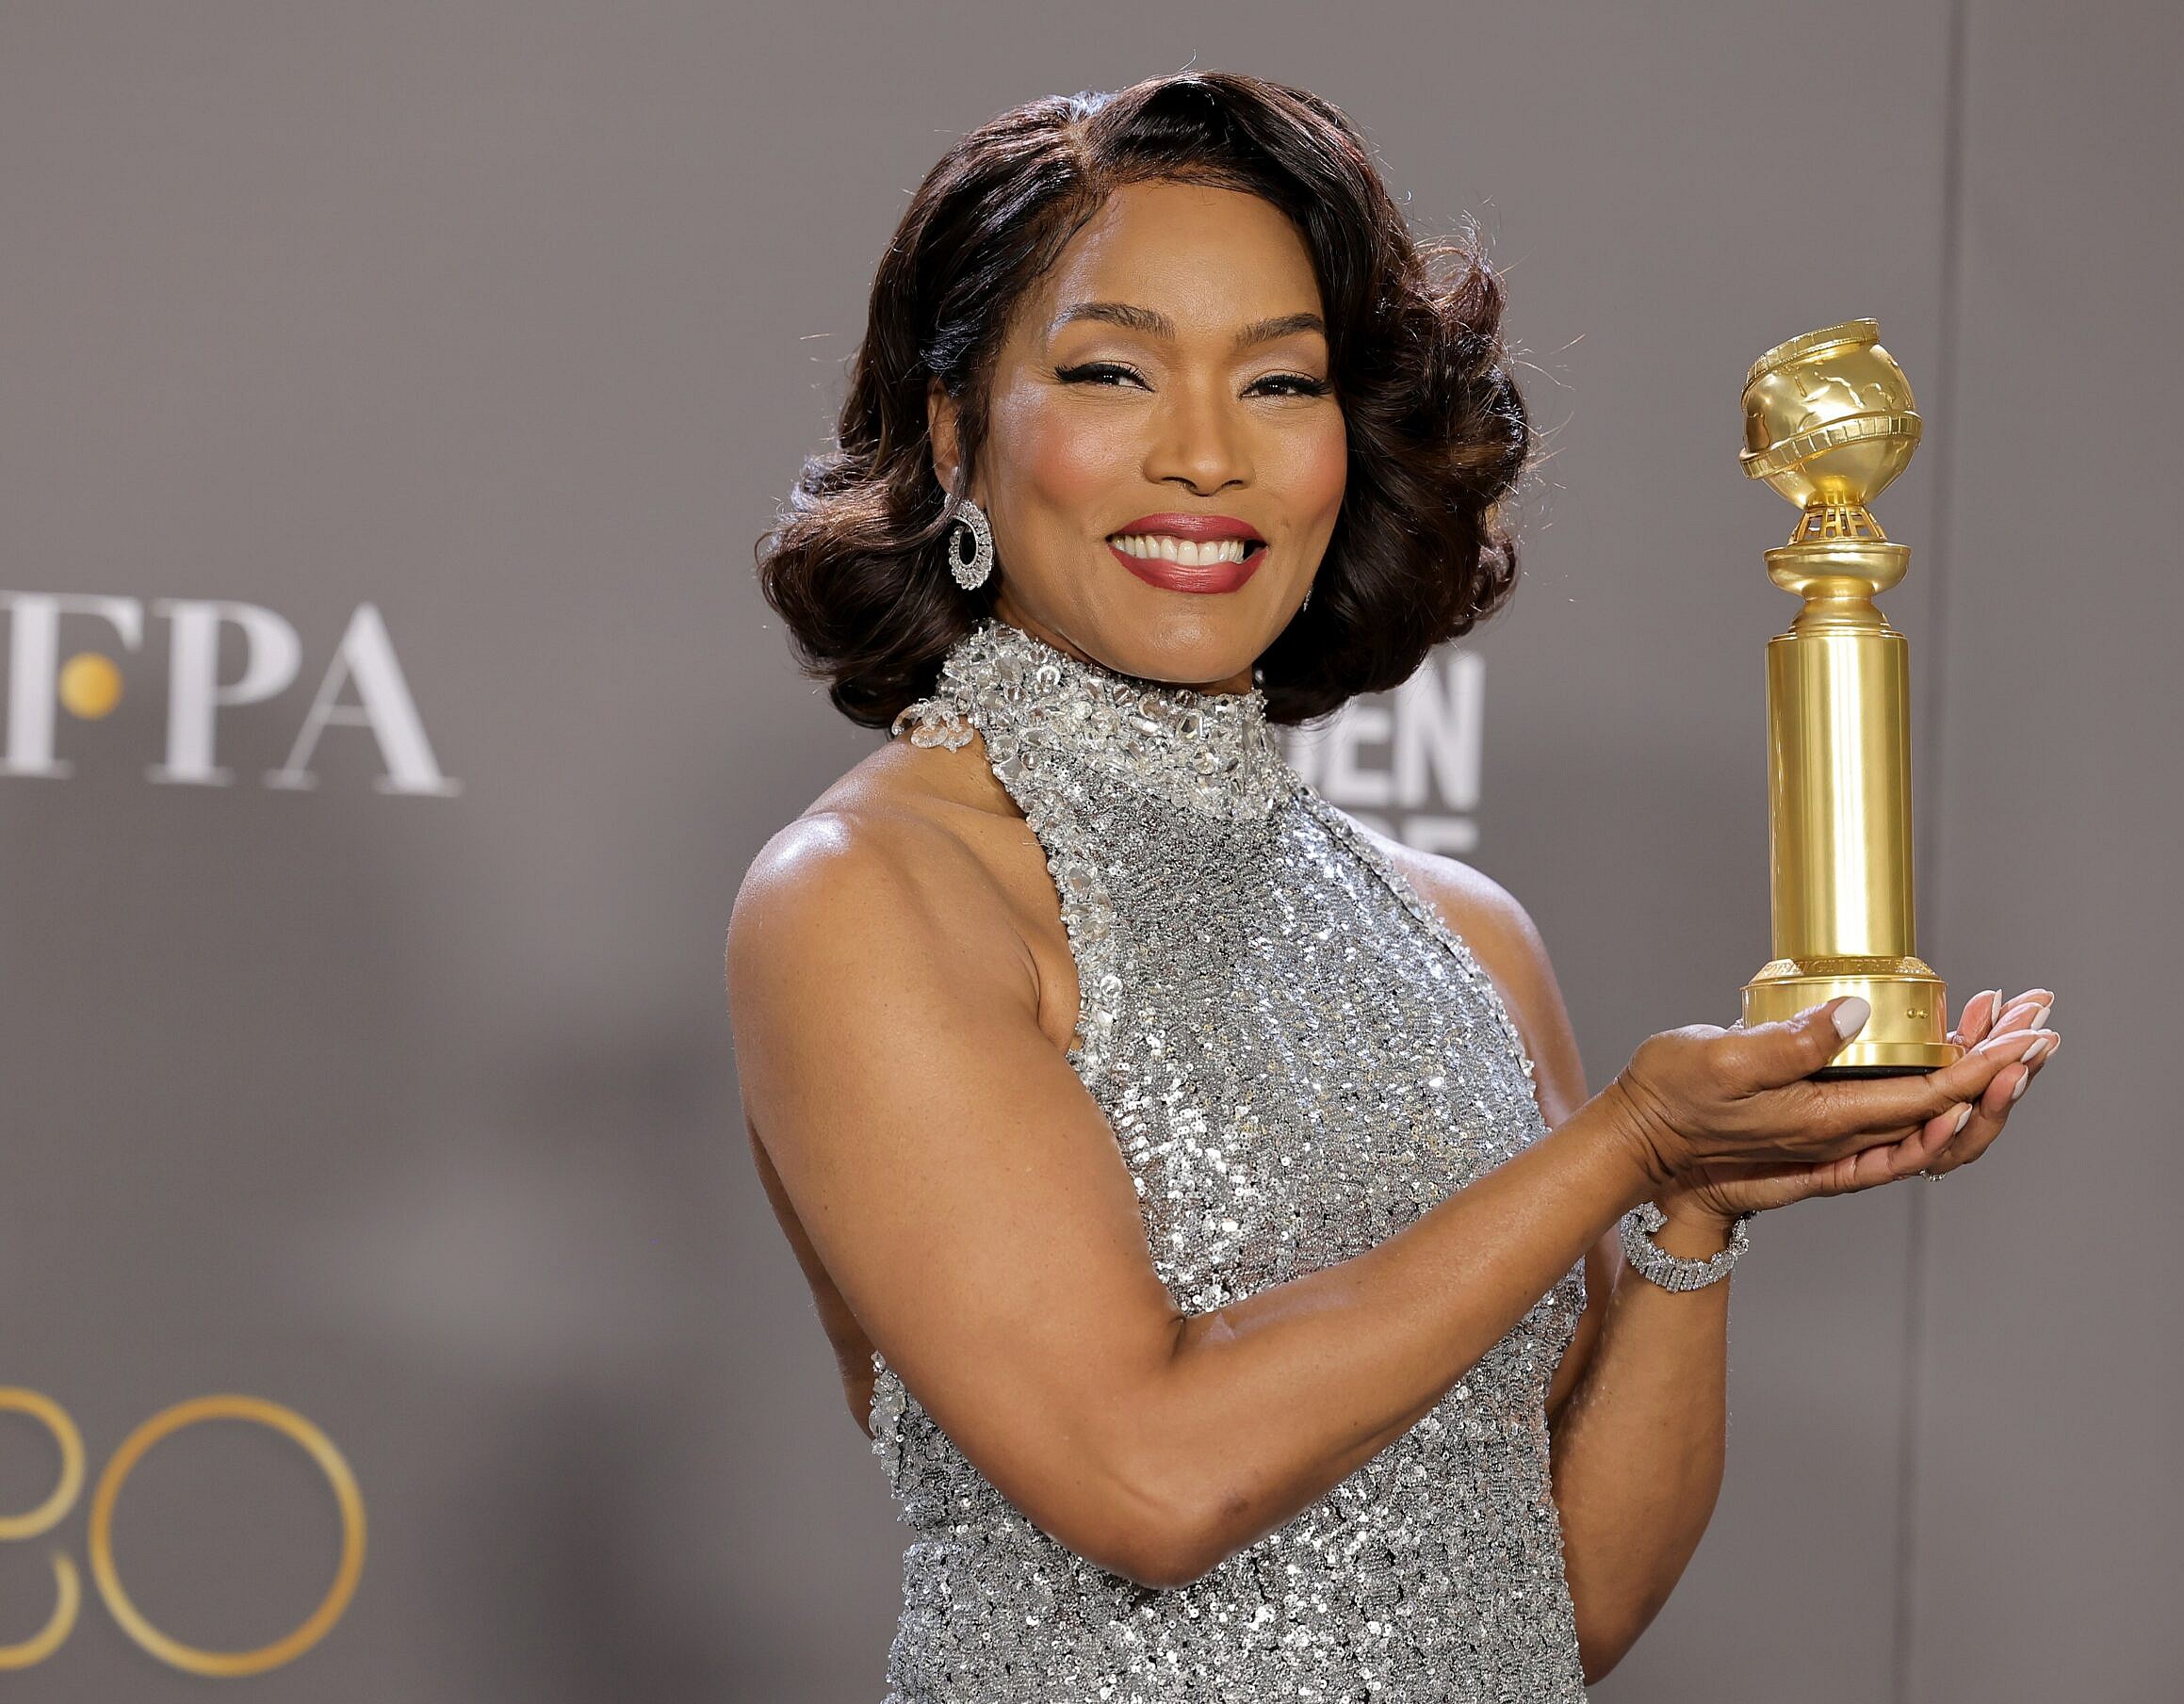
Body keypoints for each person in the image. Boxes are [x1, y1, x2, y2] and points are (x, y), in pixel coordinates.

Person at [727, 70, 2060, 1701]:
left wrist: (1694, 1208)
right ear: (956, 435)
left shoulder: (1467, 937)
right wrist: (1623, 1142)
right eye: (1111, 370)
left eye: (1278, 384)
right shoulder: (867, 893)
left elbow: (1552, 1607)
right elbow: (1146, 1477)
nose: (1206, 455)